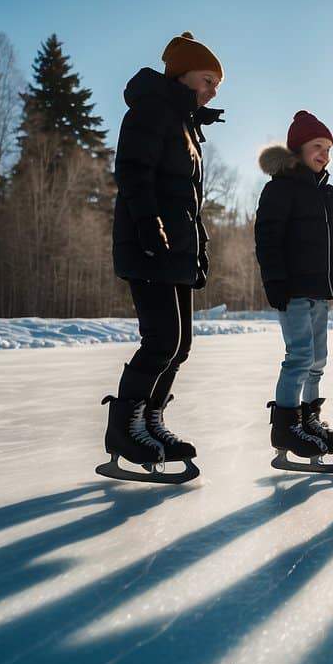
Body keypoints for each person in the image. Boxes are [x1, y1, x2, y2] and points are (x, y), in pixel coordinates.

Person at [101, 31, 224, 479]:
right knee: (161, 341)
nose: (212, 91)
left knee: (181, 346)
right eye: (208, 80)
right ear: (182, 74)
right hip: (149, 243)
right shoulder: (152, 110)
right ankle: (124, 430)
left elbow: (188, 201)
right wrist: (148, 224)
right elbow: (133, 172)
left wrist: (200, 249)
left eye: (217, 85)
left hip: (178, 250)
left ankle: (150, 421)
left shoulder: (187, 125)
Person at [255, 111, 333, 465]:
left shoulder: (331, 196)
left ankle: (309, 421)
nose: (325, 155)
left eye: (329, 149)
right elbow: (267, 237)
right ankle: (286, 426)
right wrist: (274, 280)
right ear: (298, 149)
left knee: (317, 361)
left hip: (320, 290)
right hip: (293, 289)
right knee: (299, 357)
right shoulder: (280, 188)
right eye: (318, 146)